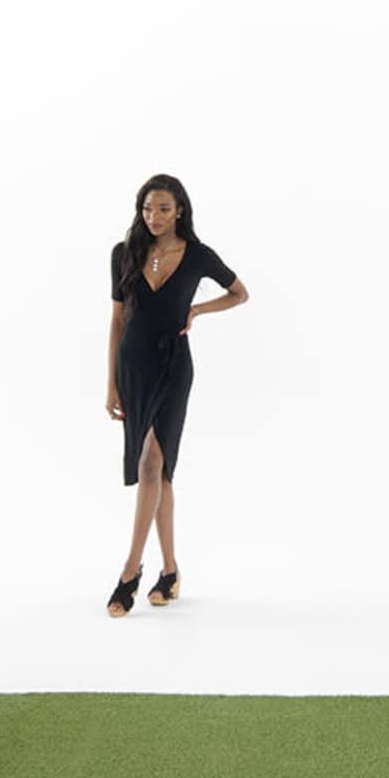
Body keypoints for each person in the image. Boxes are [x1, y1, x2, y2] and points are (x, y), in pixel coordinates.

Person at [102, 173, 248, 615]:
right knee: (158, 475)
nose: (154, 217)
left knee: (151, 463)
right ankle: (169, 571)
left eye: (163, 209)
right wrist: (110, 382)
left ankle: (130, 571)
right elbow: (117, 321)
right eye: (147, 209)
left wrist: (196, 310)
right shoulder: (123, 253)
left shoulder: (198, 255)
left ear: (180, 209)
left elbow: (239, 294)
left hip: (173, 368)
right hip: (132, 369)